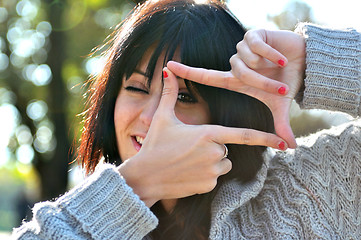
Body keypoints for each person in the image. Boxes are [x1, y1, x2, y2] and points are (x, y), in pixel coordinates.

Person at [12, 0, 361, 239]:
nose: (152, 118)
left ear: (228, 110)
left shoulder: (313, 187)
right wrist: (135, 188)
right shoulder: (86, 216)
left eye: (183, 96)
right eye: (135, 87)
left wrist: (312, 61)